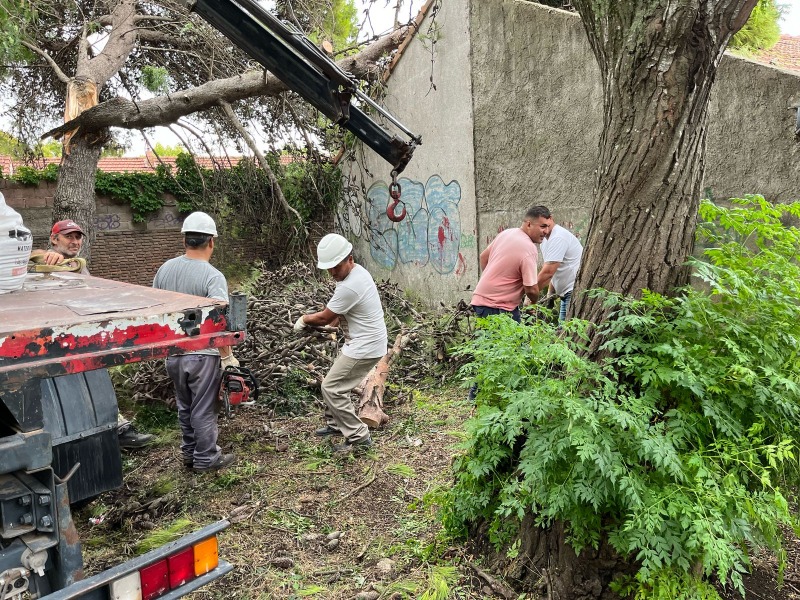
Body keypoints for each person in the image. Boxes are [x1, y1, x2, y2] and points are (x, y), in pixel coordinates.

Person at [32, 219, 155, 450]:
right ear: (53, 238)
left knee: (97, 382)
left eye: (78, 237)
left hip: (83, 338)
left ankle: (115, 430)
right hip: (55, 343)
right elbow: (21, 257)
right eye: (68, 236)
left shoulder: (78, 265)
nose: (75, 241)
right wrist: (43, 254)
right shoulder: (44, 264)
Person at [153, 212, 239, 473]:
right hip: (203, 354)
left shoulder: (164, 270)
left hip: (173, 353)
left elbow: (157, 310)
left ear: (185, 241)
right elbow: (219, 322)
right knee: (203, 408)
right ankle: (206, 458)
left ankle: (189, 453)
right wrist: (227, 357)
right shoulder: (213, 277)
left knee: (185, 405)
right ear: (211, 241)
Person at [294, 233, 387, 456]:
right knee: (335, 382)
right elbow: (336, 317)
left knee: (331, 387)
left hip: (365, 346)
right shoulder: (355, 274)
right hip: (363, 341)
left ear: (350, 259)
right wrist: (326, 328)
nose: (333, 273)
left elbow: (326, 317)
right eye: (329, 269)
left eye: (336, 267)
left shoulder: (350, 286)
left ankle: (359, 436)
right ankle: (335, 424)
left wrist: (304, 319)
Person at [470, 206, 552, 321]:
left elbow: (483, 257)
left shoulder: (507, 233)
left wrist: (495, 279)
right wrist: (533, 302)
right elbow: (531, 289)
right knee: (511, 338)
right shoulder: (528, 248)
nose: (546, 231)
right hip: (497, 307)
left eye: (548, 227)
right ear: (529, 224)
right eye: (542, 226)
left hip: (482, 301)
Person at [537, 212, 583, 321]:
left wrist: (530, 296)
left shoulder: (558, 237)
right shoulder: (544, 241)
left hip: (573, 290)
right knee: (562, 332)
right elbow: (553, 270)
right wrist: (550, 294)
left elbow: (548, 272)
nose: (544, 229)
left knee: (565, 332)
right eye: (540, 226)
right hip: (564, 293)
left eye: (545, 224)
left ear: (551, 218)